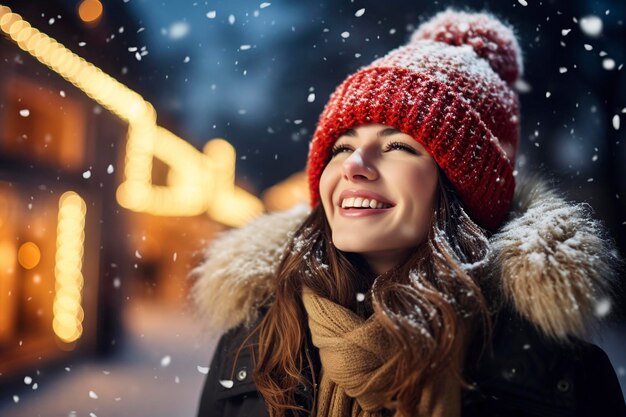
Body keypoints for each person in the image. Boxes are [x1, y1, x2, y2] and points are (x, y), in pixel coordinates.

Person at [191, 9, 626, 417]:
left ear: (462, 187)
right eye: (342, 147)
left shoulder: (556, 374)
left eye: (398, 146)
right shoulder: (253, 345)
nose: (354, 166)